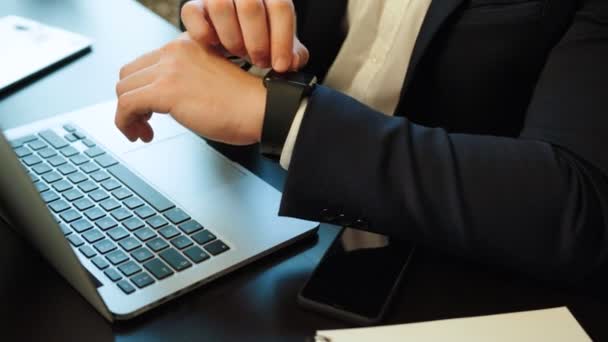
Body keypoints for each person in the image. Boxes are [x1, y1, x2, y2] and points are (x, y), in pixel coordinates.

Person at [114, 0, 608, 285]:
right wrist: (222, 19)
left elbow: (578, 202)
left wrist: (283, 115)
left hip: (438, 277)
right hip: (258, 212)